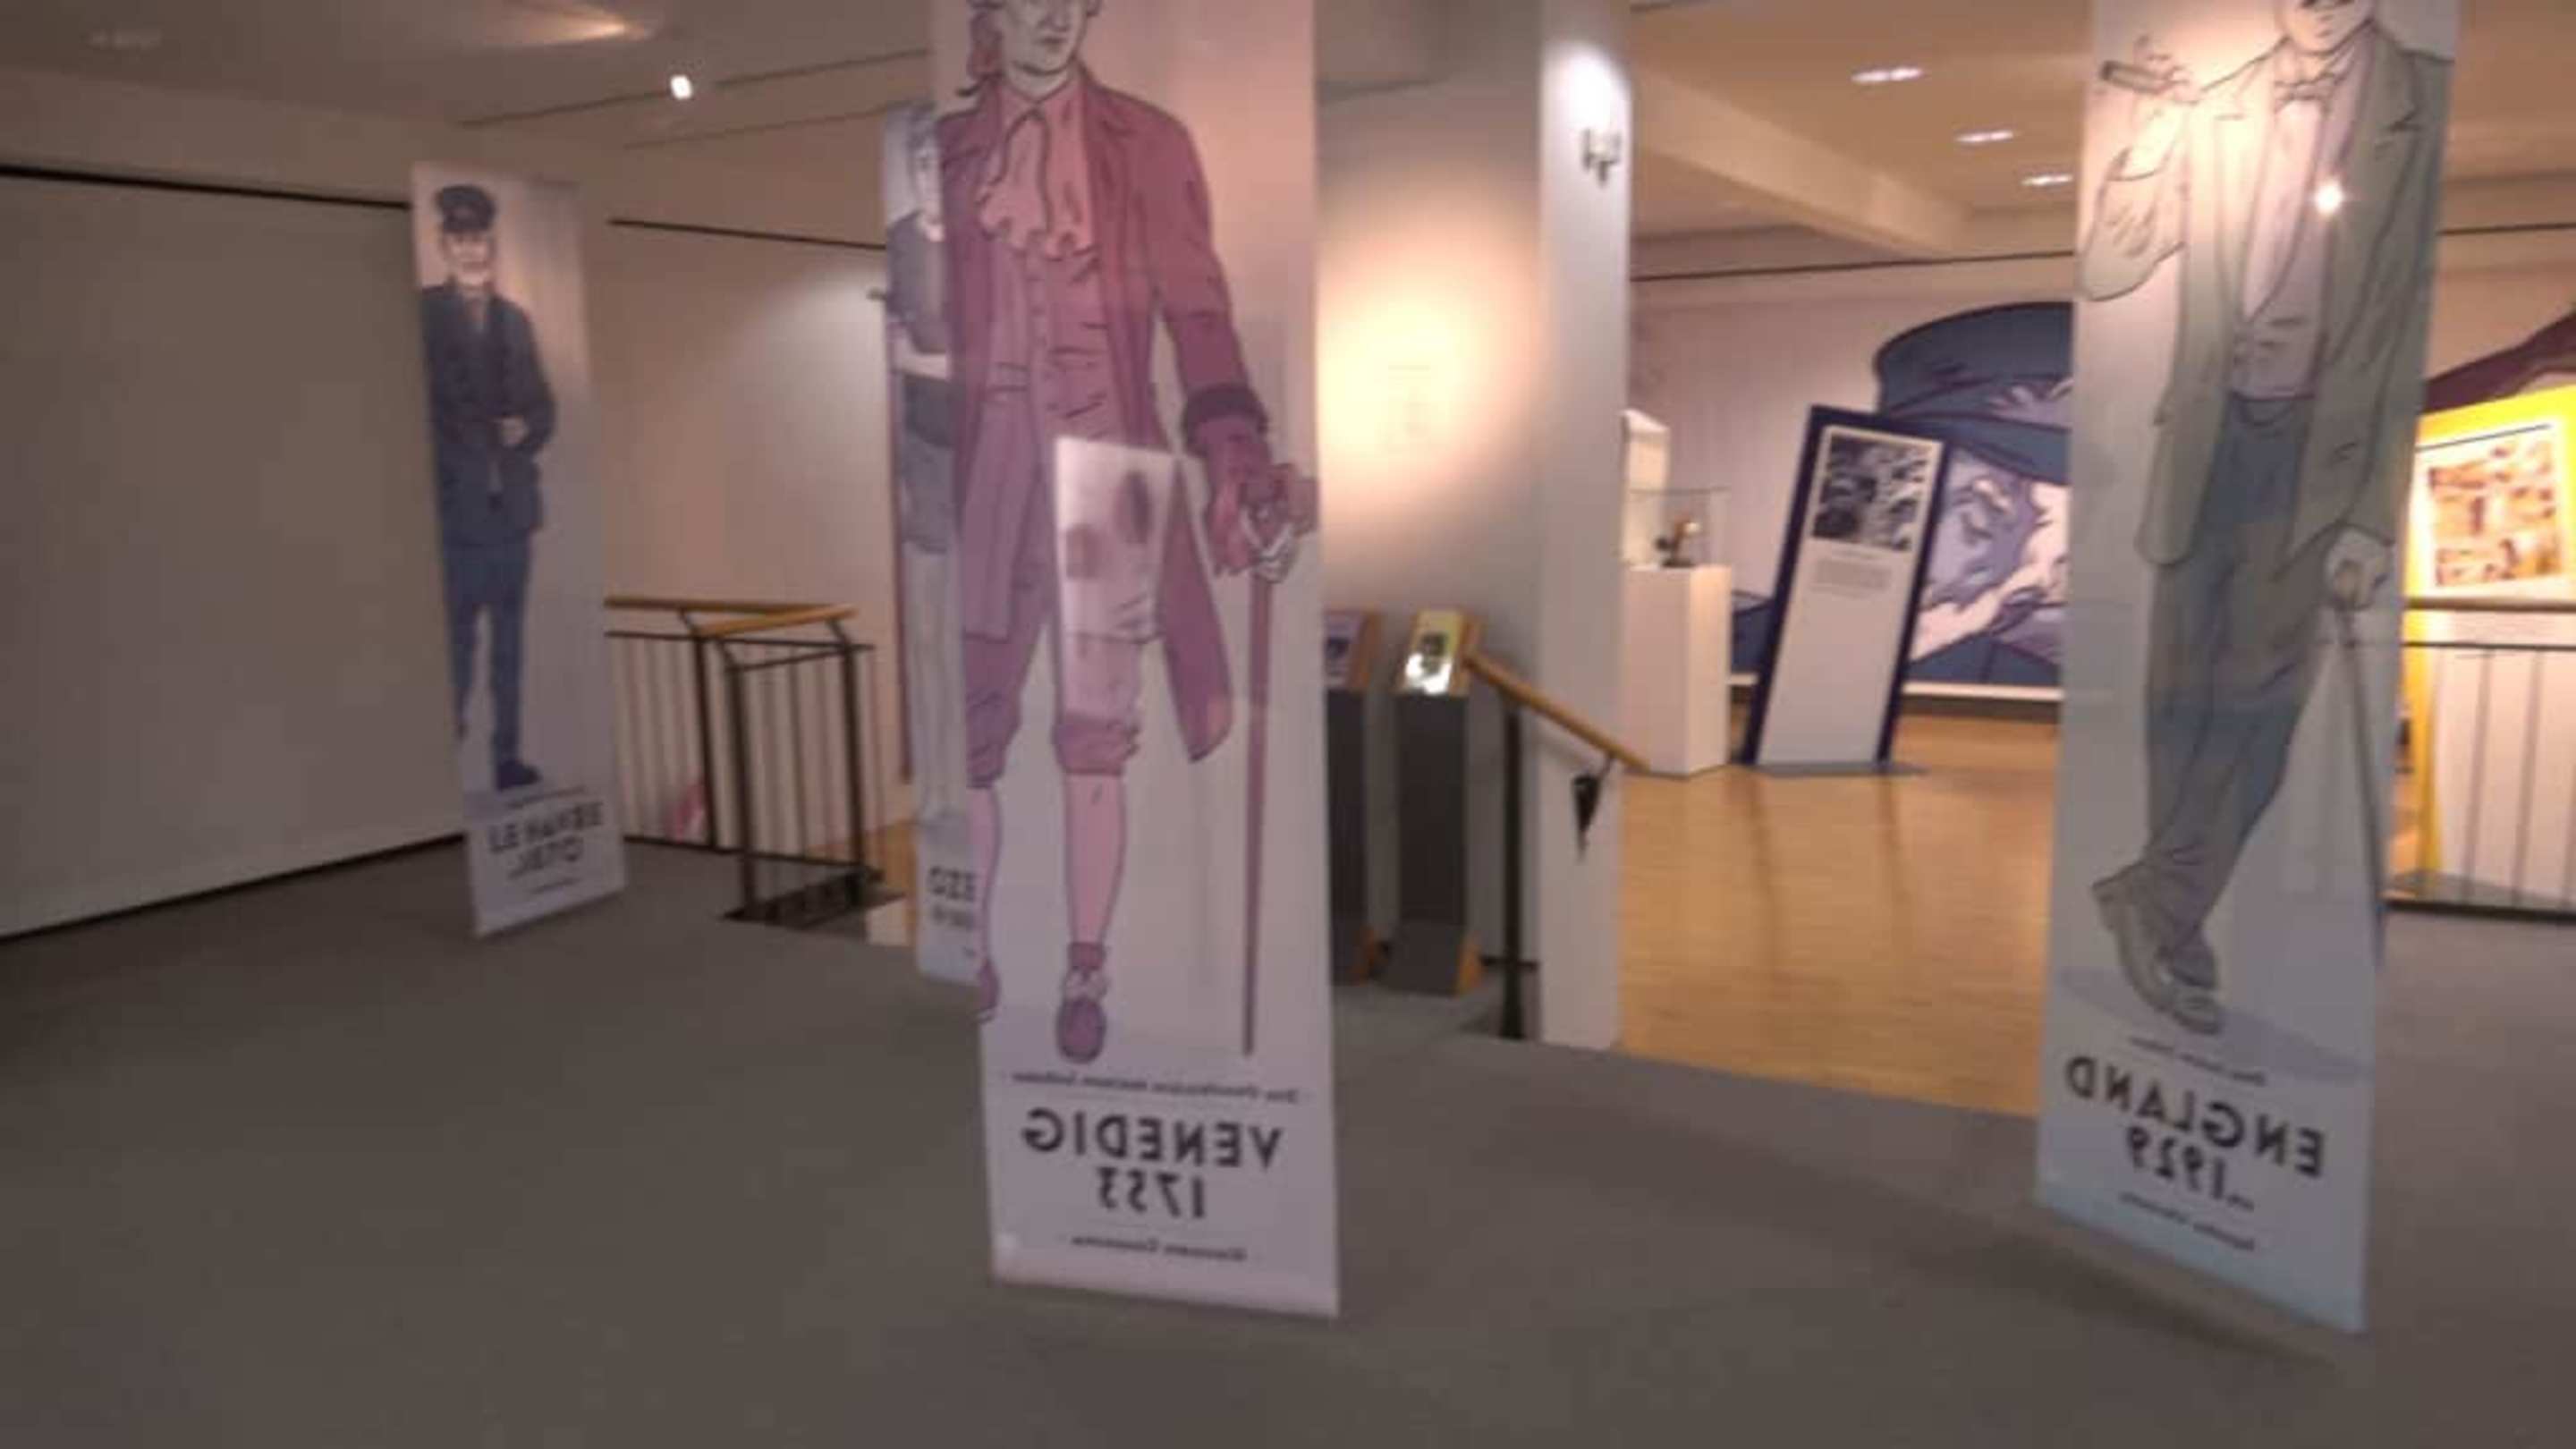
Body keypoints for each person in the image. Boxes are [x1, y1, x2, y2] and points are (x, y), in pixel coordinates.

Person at [944, 0, 1310, 1063]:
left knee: (1096, 733)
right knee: (975, 729)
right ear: (992, 12)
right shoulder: (947, 151)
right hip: (985, 477)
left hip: (1110, 474)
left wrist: (1234, 452)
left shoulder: (1147, 143)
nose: (1058, 17)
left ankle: (1085, 968)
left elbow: (1198, 315)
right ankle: (983, 952)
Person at [2080, 0, 2449, 1035]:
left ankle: (2159, 902)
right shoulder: (2219, 105)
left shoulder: (2422, 97)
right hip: (2204, 447)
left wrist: (2373, 514)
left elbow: (2401, 327)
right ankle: (2168, 906)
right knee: (2177, 699)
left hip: (2316, 457)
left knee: (2257, 709)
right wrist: (2150, 148)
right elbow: (2108, 269)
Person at [421, 183, 555, 793]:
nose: (470, 249)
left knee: (509, 648)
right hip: (458, 515)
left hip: (512, 516)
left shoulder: (515, 321)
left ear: (490, 243)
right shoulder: (424, 315)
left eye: (478, 238)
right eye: (459, 239)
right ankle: (446, 758)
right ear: (443, 244)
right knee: (456, 646)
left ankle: (507, 756)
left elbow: (544, 408)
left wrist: (526, 428)